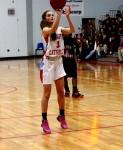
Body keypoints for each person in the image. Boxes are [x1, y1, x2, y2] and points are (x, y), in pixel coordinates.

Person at [40, 6, 75, 134]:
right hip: (48, 63)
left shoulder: (60, 28)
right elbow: (53, 29)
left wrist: (67, 16)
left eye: (52, 15)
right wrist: (60, 15)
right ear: (44, 19)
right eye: (49, 15)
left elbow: (72, 30)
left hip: (59, 62)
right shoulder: (45, 29)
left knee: (61, 92)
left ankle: (62, 116)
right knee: (47, 94)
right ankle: (44, 120)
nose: (51, 16)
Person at [63, 33, 84, 98]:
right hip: (70, 60)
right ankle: (74, 92)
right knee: (73, 76)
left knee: (65, 76)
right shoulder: (72, 40)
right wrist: (77, 54)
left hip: (64, 60)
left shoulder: (61, 40)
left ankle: (67, 91)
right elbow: (78, 46)